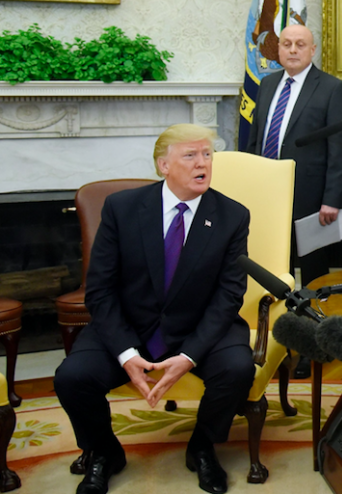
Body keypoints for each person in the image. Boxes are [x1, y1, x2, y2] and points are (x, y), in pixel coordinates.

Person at [55, 124, 252, 494]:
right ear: (164, 165)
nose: (203, 164)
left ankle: (203, 447)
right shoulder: (122, 208)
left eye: (207, 154)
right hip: (130, 325)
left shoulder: (232, 216)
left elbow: (228, 295)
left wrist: (190, 355)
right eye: (190, 155)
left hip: (197, 327)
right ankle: (104, 452)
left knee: (238, 369)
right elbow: (99, 290)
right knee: (72, 377)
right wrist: (127, 353)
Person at [246, 24, 342, 284]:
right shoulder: (267, 84)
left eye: (300, 45)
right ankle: (280, 320)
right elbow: (254, 140)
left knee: (314, 272)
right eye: (286, 44)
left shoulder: (331, 89)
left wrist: (332, 199)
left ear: (312, 50)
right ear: (278, 49)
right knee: (273, 265)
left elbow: (340, 149)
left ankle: (315, 323)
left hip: (312, 199)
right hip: (267, 193)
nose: (293, 50)